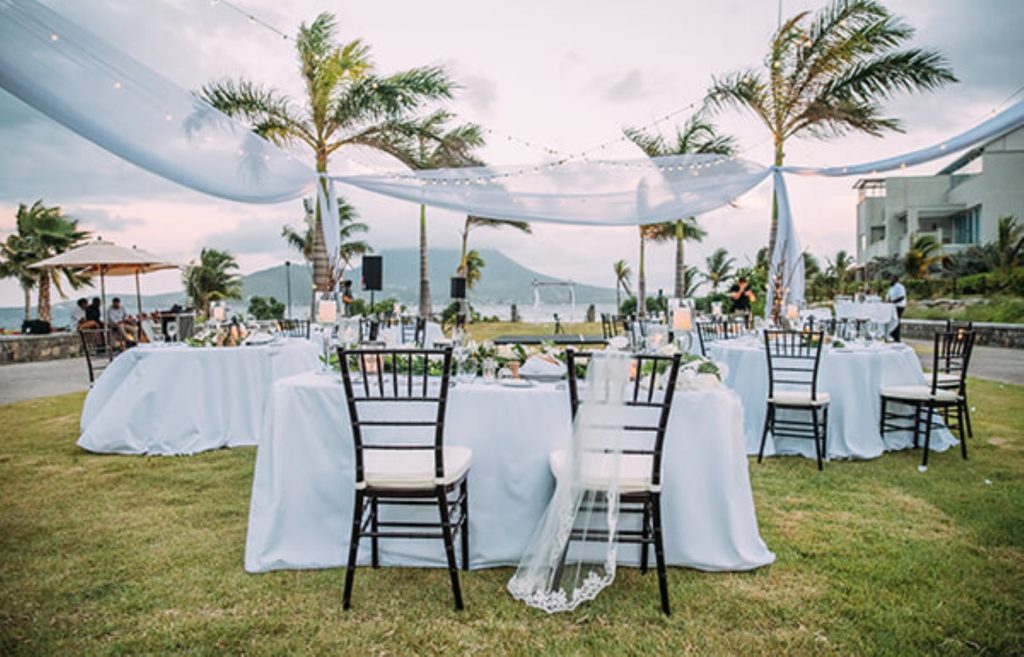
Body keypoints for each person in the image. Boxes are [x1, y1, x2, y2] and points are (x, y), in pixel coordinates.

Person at [886, 275, 907, 341]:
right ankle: (892, 336)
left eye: (892, 279)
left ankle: (897, 338)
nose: (890, 280)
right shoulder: (891, 287)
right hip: (892, 306)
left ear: (896, 279)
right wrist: (888, 301)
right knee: (892, 321)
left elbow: (902, 297)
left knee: (896, 321)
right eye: (890, 279)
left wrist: (893, 302)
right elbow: (889, 296)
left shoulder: (900, 287)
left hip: (899, 306)